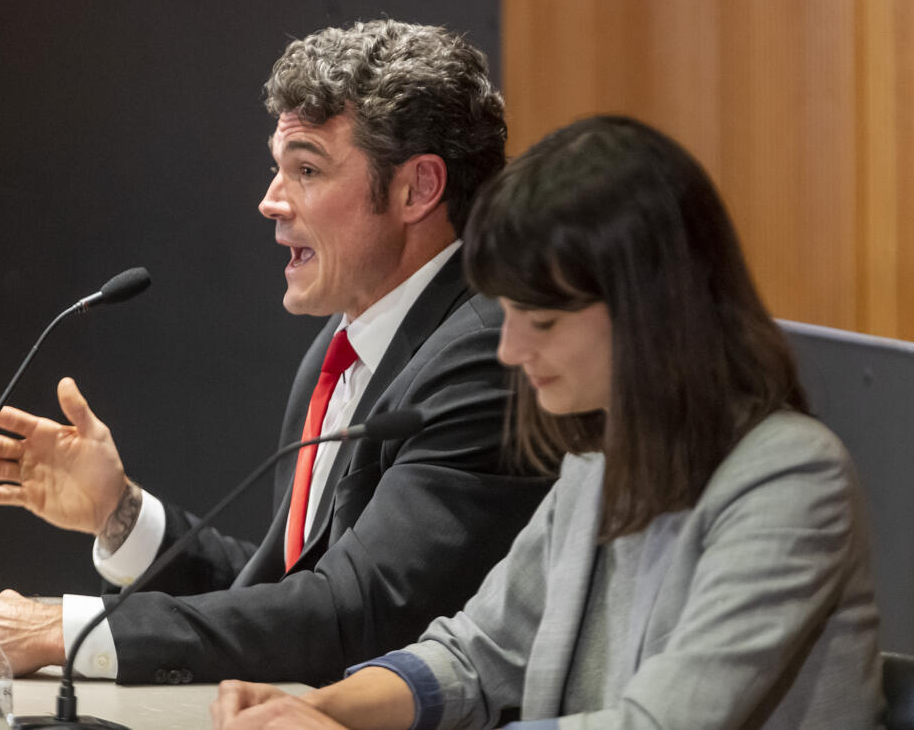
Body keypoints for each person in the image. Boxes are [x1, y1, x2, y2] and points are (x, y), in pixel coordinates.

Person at [0, 19, 553, 685]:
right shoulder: (339, 349)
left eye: (307, 169)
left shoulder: (489, 355)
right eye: (277, 168)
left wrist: (66, 629)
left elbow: (354, 613)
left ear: (417, 189)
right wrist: (122, 512)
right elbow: (285, 590)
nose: (269, 201)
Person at [210, 115, 883, 729]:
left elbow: (658, 723)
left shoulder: (790, 479)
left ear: (648, 313)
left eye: (544, 322)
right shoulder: (599, 460)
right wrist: (314, 704)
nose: (510, 350)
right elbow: (475, 653)